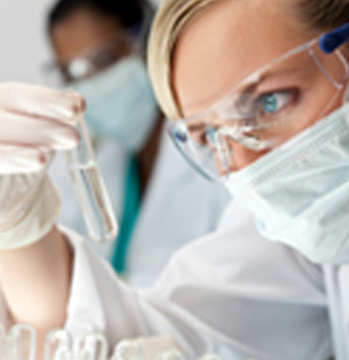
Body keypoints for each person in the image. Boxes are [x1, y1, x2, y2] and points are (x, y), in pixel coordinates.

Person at [0, 0, 349, 359]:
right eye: (209, 137)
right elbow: (164, 334)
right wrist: (19, 228)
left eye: (270, 102)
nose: (245, 166)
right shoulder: (306, 230)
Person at [44, 0, 230, 285]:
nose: (94, 83)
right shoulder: (98, 158)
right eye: (73, 73)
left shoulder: (215, 145)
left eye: (104, 59)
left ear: (146, 43)